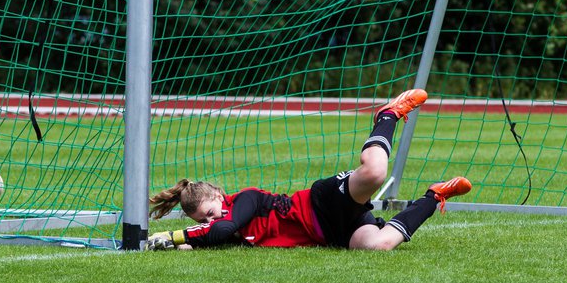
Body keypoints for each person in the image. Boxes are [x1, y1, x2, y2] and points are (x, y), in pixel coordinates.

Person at [145, 88, 471, 251]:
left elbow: (222, 230)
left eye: (210, 211)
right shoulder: (228, 229)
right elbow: (216, 237)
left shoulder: (245, 200)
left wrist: (173, 236)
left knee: (374, 174)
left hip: (320, 202)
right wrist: (183, 244)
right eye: (203, 220)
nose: (211, 220)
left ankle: (387, 115)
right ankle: (434, 195)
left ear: (219, 194)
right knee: (378, 246)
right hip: (328, 232)